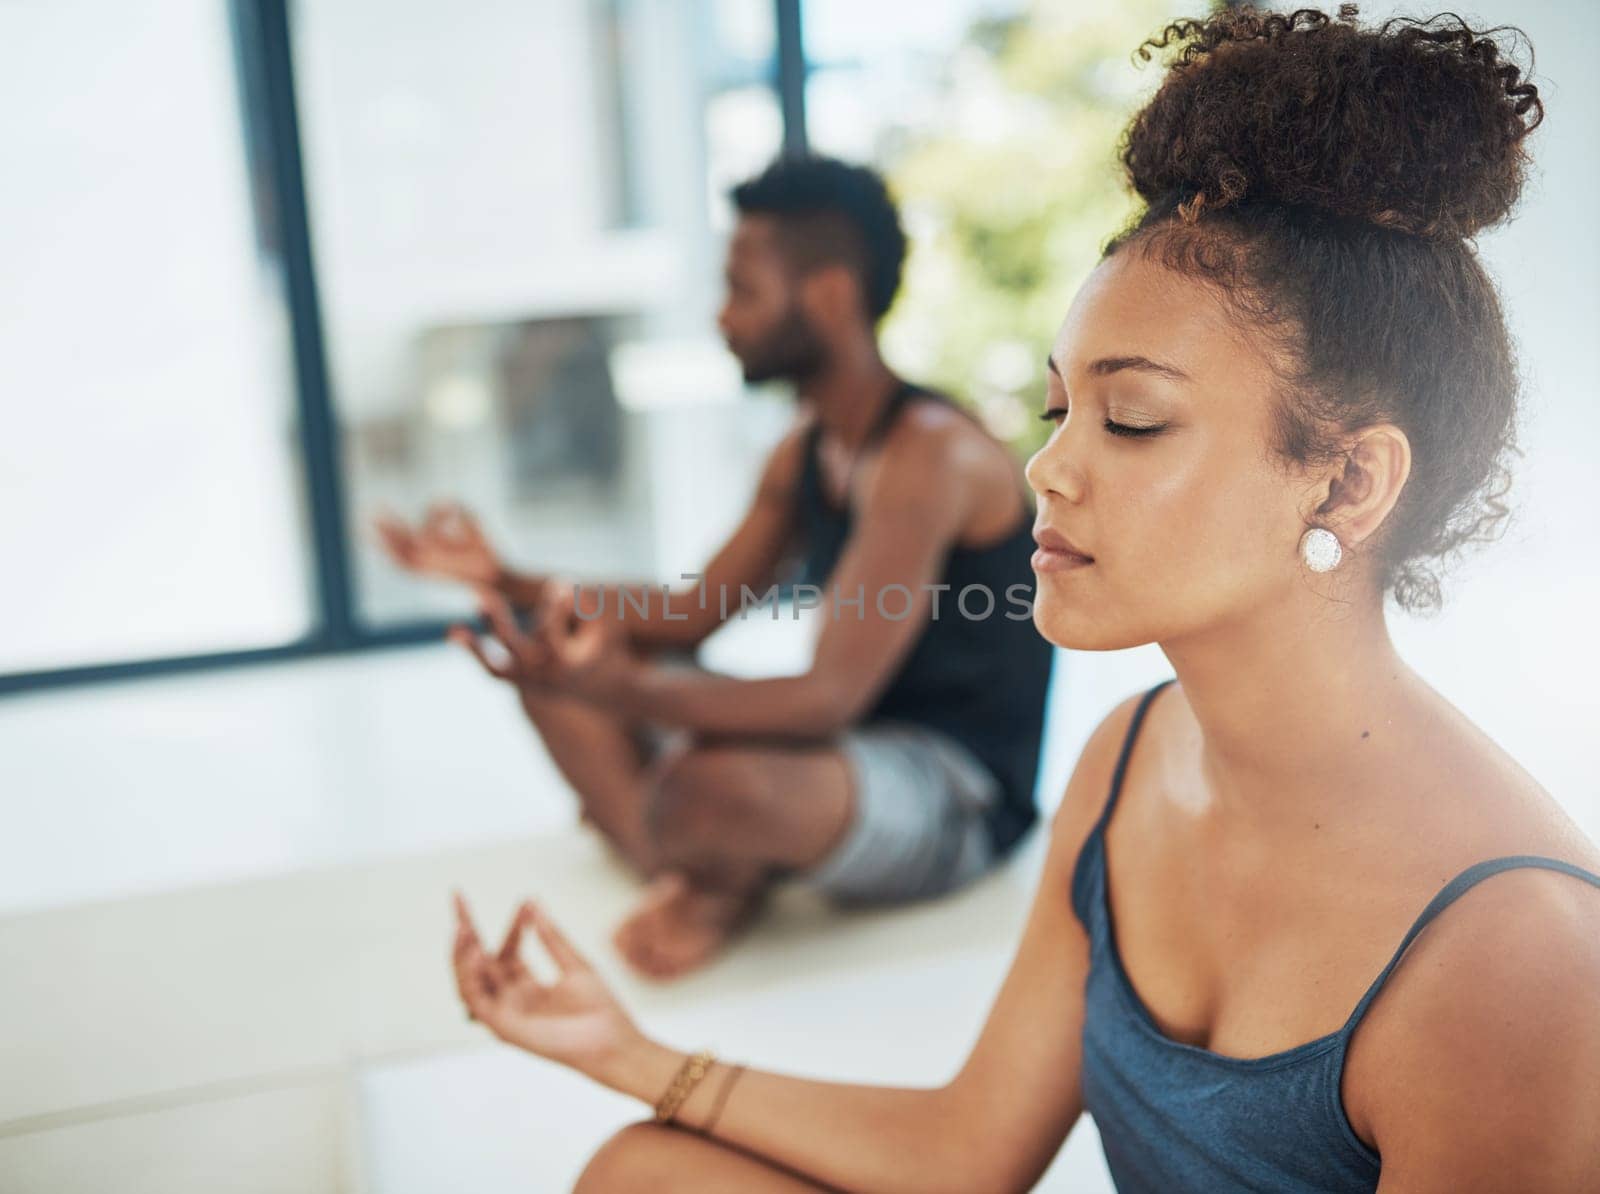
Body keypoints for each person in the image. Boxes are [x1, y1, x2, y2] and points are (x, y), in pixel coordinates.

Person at [448, 8, 1600, 1191]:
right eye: (1060, 410)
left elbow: (824, 686)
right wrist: (628, 1054)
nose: (1048, 466)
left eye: (1133, 418)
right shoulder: (1128, 757)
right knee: (645, 1169)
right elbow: (967, 1153)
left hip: (929, 783)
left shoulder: (1516, 957)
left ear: (1348, 481)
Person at [380, 156, 1053, 980]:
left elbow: (823, 698)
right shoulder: (804, 452)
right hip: (844, 748)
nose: (724, 319)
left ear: (830, 296)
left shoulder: (929, 455)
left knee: (708, 781)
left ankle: (693, 851)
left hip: (955, 790)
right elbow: (693, 610)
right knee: (556, 651)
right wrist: (511, 579)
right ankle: (707, 870)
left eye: (742, 290)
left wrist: (624, 694)